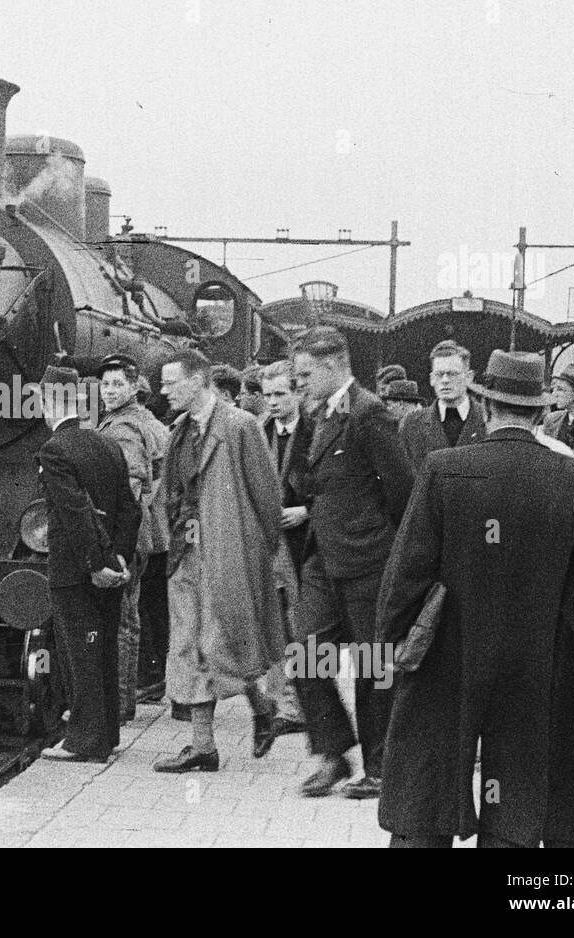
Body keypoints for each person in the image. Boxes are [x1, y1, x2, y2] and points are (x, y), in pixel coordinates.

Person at [376, 350, 574, 847]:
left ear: (485, 406)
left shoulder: (444, 470)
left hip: (452, 644)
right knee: (519, 779)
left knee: (429, 779)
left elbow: (407, 574)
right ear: (540, 413)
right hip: (544, 652)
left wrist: (392, 640)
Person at [290, 326, 413, 798]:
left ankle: (380, 768)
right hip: (323, 556)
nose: (298, 382)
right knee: (305, 653)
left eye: (304, 374)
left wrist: (399, 559)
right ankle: (334, 751)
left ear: (332, 366)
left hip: (369, 560)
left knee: (373, 664)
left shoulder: (368, 412)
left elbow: (402, 489)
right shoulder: (319, 413)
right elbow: (307, 479)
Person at [153, 349, 289, 773]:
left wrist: (259, 553)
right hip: (186, 553)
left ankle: (261, 704)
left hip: (227, 552)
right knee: (189, 645)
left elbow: (267, 496)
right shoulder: (179, 431)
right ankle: (203, 745)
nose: (164, 390)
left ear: (197, 380)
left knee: (223, 641)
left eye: (171, 382)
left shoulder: (240, 426)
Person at [36, 365, 141, 762]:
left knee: (79, 653)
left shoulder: (54, 449)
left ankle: (83, 742)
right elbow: (131, 511)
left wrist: (96, 564)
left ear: (47, 402)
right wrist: (119, 560)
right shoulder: (107, 444)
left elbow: (76, 511)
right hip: (110, 569)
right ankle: (106, 735)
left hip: (75, 571)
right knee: (103, 648)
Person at [96, 355, 165, 722]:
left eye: (117, 384)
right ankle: (123, 701)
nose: (109, 391)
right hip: (142, 535)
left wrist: (115, 547)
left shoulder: (123, 428)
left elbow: (132, 489)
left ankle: (119, 706)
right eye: (105, 384)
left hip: (127, 538)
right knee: (130, 617)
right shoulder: (140, 420)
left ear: (133, 388)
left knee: (121, 620)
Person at [259, 359, 313, 740]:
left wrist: (306, 510)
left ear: (297, 393)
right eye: (267, 395)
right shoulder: (259, 431)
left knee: (303, 625)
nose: (273, 402)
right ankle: (282, 700)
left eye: (280, 394)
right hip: (268, 544)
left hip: (305, 544)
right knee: (273, 623)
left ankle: (301, 703)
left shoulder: (316, 432)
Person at [134, 374, 172, 703]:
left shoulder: (142, 431)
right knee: (156, 606)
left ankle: (151, 675)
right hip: (163, 533)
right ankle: (157, 672)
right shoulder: (161, 428)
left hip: (148, 531)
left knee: (145, 607)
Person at [399, 340, 487, 471]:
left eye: (452, 374)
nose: (445, 380)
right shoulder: (412, 423)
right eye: (439, 374)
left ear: (469, 377)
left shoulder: (487, 419)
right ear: (431, 379)